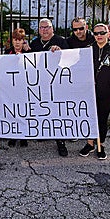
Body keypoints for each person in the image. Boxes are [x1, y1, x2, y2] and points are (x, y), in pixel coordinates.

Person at [78, 23, 110, 160]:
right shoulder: (87, 50)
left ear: (108, 34)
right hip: (89, 92)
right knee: (89, 118)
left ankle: (101, 144)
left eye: (102, 33)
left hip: (107, 93)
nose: (99, 36)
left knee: (102, 119)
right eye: (96, 33)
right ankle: (90, 143)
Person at [29, 18, 70, 156]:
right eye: (42, 27)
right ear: (39, 30)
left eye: (47, 27)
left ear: (52, 28)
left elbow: (69, 60)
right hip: (41, 82)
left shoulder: (61, 41)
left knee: (57, 112)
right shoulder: (34, 43)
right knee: (43, 108)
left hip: (57, 83)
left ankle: (60, 141)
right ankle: (44, 132)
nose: (44, 30)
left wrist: (60, 52)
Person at [5, 28, 30, 148]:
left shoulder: (29, 53)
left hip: (25, 88)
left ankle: (24, 136)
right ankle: (13, 135)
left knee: (24, 111)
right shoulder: (7, 53)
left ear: (23, 41)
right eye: (15, 40)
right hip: (12, 88)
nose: (17, 42)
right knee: (13, 112)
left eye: (20, 40)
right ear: (12, 41)